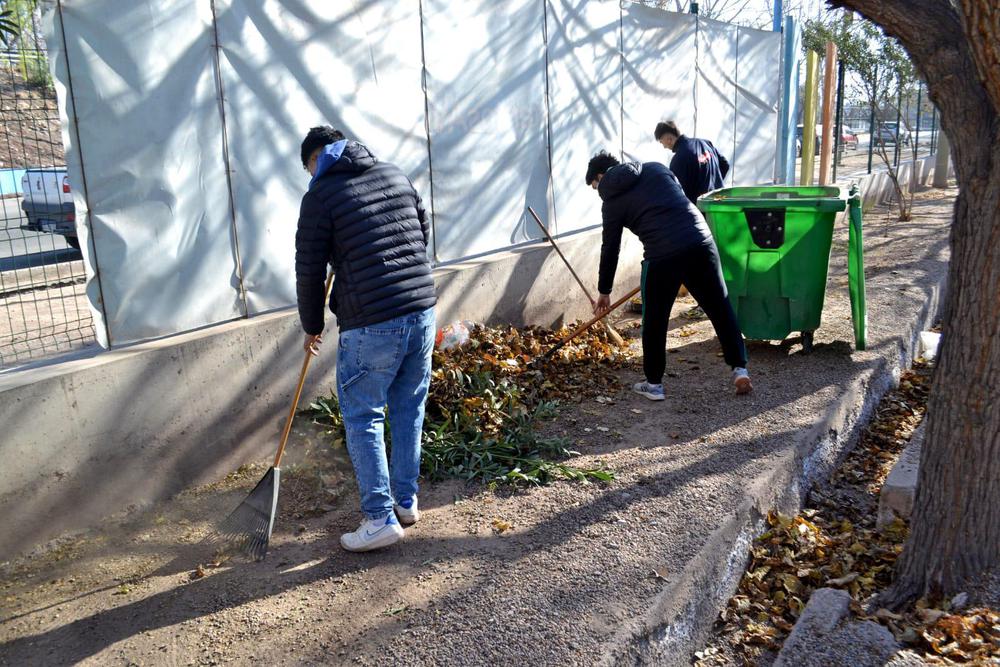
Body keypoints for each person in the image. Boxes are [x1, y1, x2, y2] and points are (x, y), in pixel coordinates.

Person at [296, 126, 437, 552]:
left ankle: (379, 518)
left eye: (308, 168)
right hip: (421, 310)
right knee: (409, 406)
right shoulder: (394, 173)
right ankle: (405, 502)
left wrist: (312, 325)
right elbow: (421, 230)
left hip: (372, 323)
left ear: (316, 159)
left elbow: (309, 269)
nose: (310, 176)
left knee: (363, 416)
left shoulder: (321, 196)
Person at [585, 150, 752, 400]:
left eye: (595, 186)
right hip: (701, 241)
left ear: (600, 176)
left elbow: (610, 248)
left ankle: (654, 384)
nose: (598, 191)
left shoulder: (611, 203)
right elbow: (679, 198)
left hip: (661, 256)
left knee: (655, 321)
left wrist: (604, 291)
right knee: (720, 306)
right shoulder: (656, 167)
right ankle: (740, 369)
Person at [654, 120, 730, 205]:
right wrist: (715, 184)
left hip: (702, 208)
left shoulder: (678, 160)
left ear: (669, 139)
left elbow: (678, 194)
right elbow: (725, 165)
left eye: (662, 142)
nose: (664, 147)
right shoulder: (705, 143)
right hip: (720, 201)